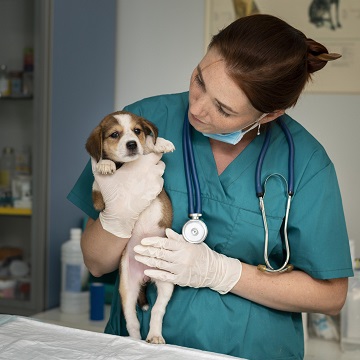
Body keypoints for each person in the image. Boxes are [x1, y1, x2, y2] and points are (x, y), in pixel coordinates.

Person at [68, 14, 353, 360]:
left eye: (223, 108)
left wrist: (222, 272)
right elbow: (96, 263)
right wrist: (117, 216)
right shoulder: (140, 125)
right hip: (136, 348)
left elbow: (331, 296)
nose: (198, 107)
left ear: (270, 114)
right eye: (200, 79)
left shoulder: (305, 162)